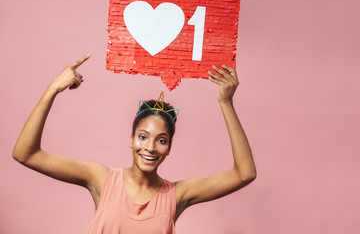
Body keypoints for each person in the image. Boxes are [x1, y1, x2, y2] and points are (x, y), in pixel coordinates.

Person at [12, 54, 256, 233]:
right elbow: (25, 154)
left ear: (169, 147)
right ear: (131, 140)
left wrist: (226, 102)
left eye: (161, 140)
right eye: (143, 136)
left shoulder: (177, 195)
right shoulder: (101, 179)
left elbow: (244, 174)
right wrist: (52, 89)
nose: (150, 147)